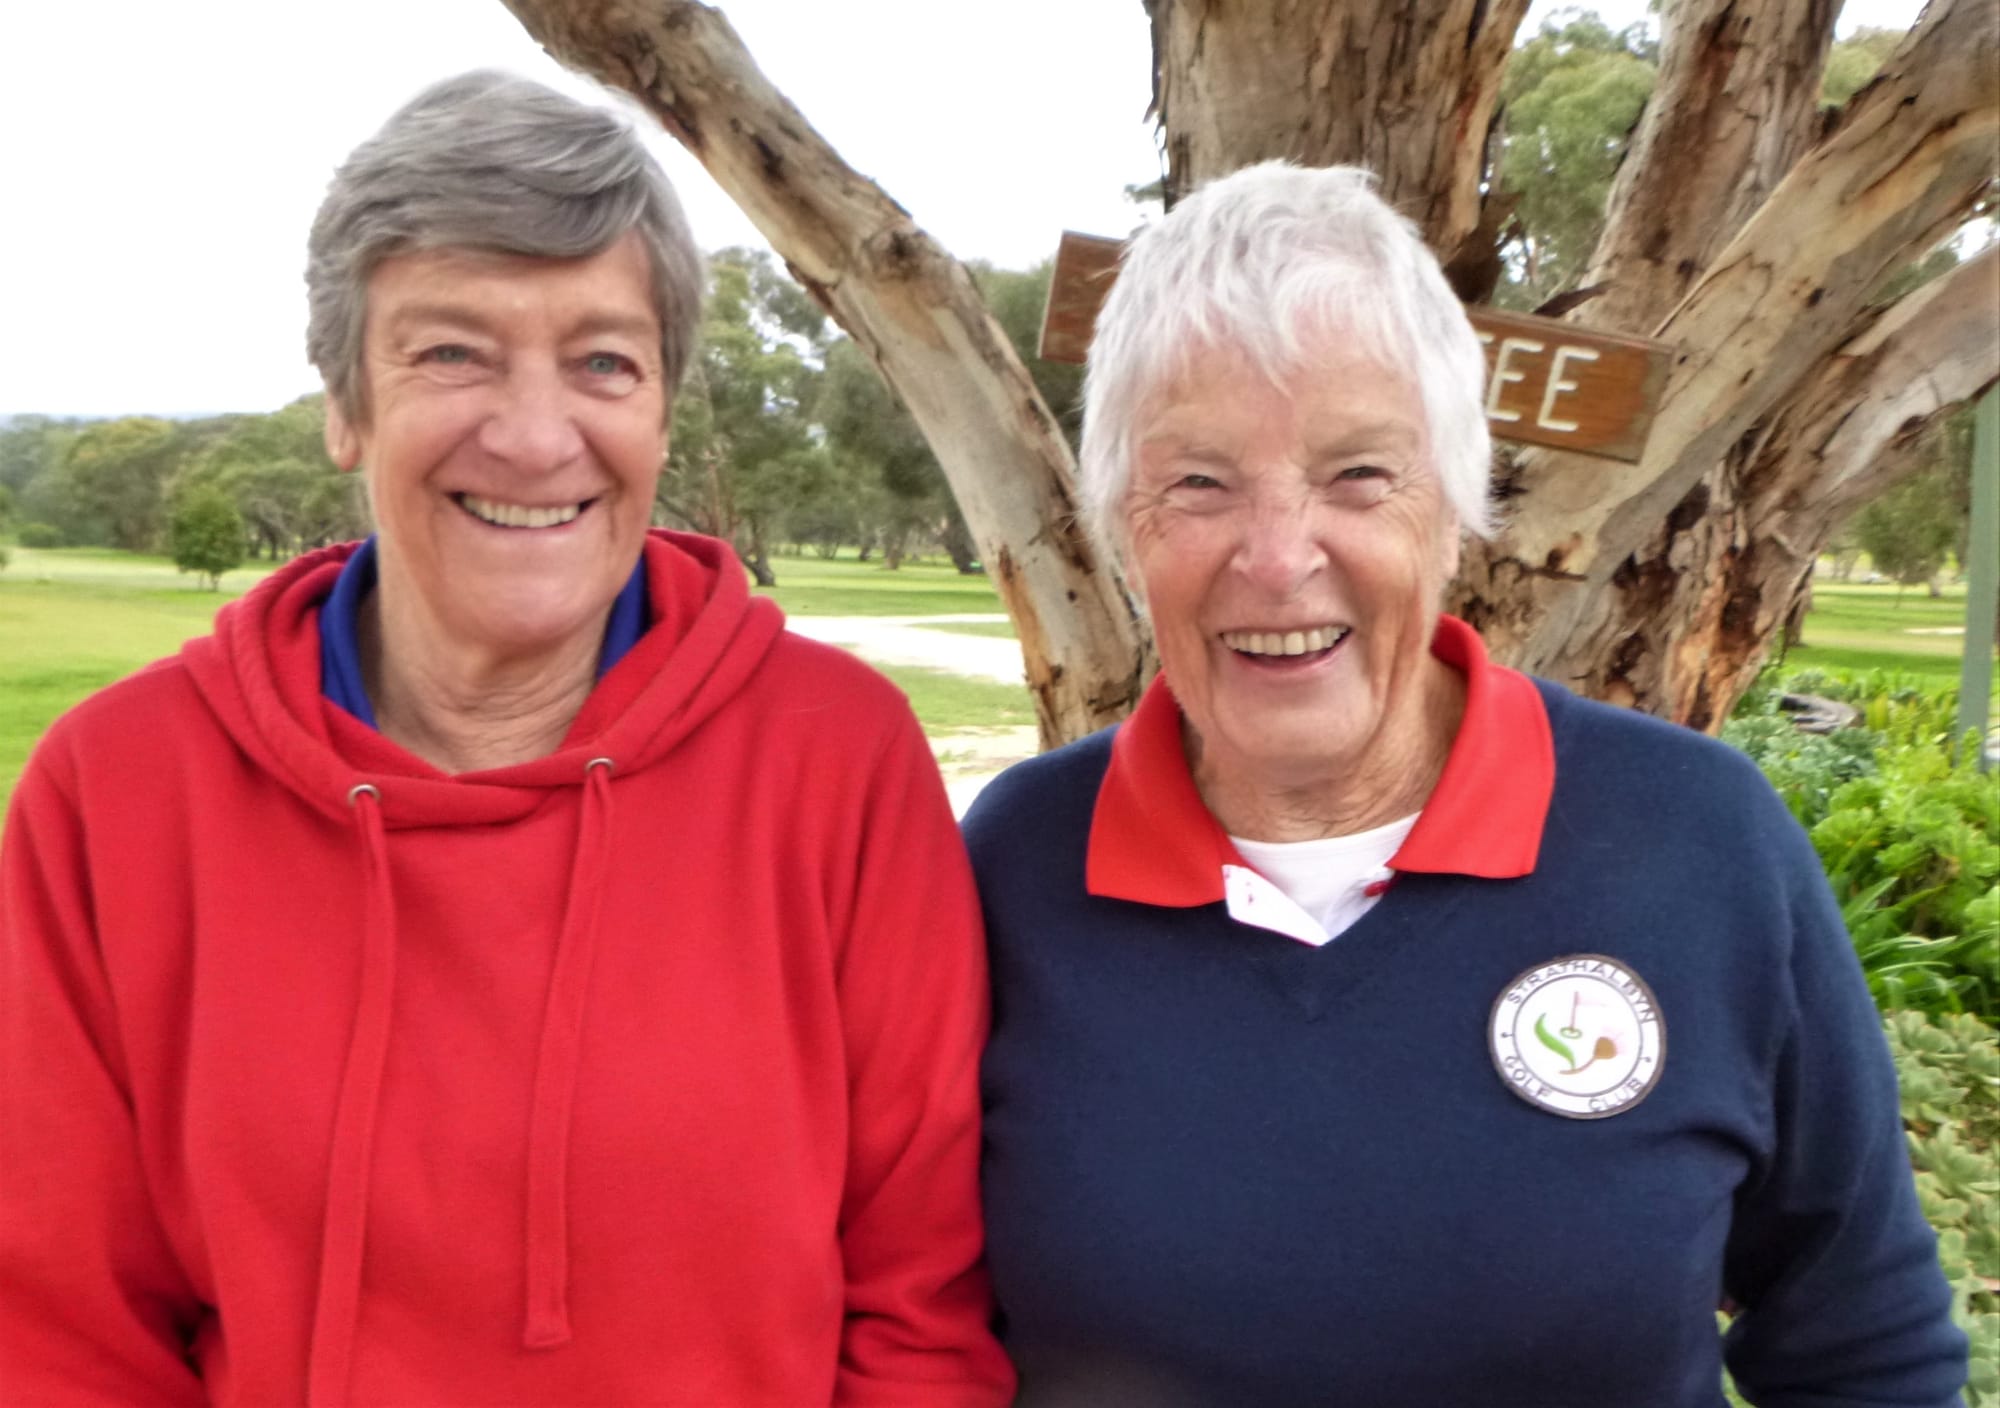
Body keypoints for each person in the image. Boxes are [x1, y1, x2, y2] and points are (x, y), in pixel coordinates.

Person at [0, 71, 1012, 1407]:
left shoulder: (836, 762)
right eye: (451, 351)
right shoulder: (119, 794)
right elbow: (64, 1336)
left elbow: (917, 1317)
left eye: (603, 360)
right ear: (346, 404)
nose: (536, 436)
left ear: (658, 411)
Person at [966, 162, 1966, 1407]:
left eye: (1357, 475)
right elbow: (916, 1320)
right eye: (1199, 482)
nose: (1278, 560)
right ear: (1122, 520)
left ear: (1455, 508)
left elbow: (1855, 1335)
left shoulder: (1695, 841)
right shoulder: (1012, 865)